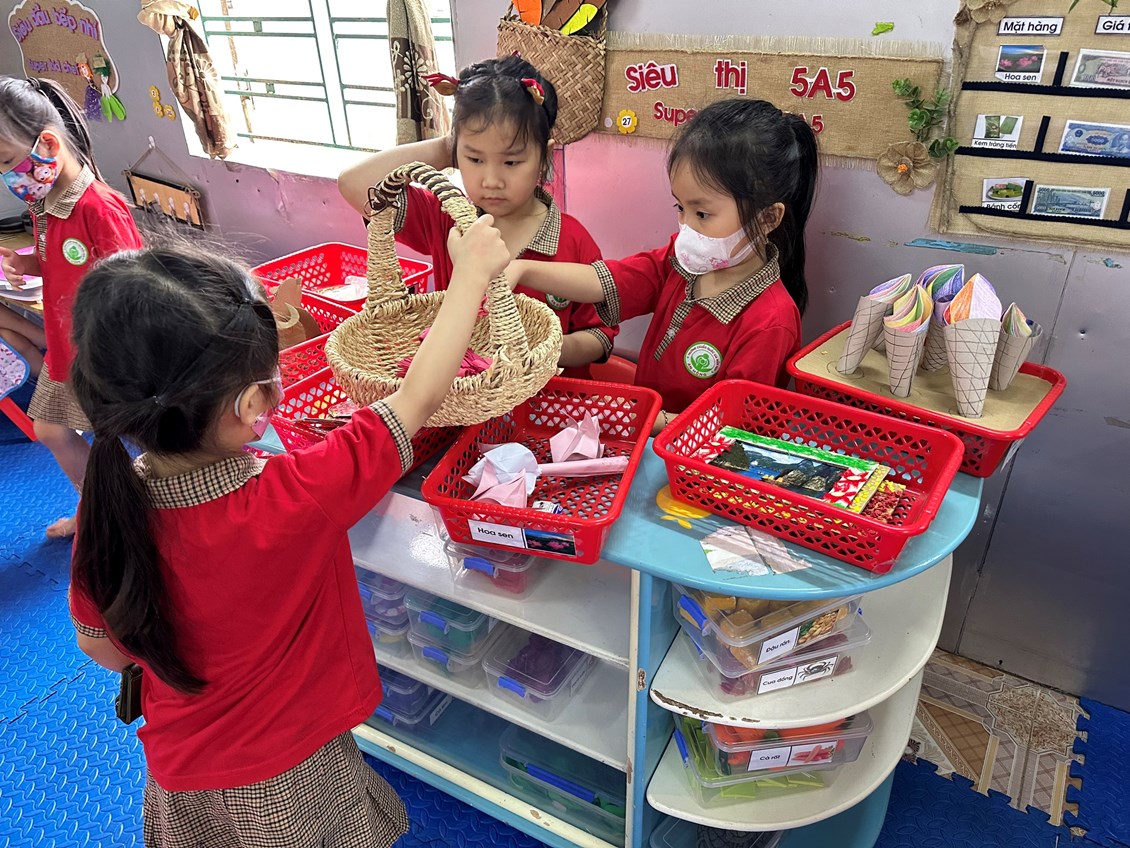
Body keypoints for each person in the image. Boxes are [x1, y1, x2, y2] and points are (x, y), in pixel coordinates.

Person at [66, 217, 510, 847]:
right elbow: (418, 397)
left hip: (178, 772)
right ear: (251, 406)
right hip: (293, 778)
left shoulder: (107, 507)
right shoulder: (299, 493)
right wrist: (470, 277)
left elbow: (101, 647)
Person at [506, 99, 818, 433]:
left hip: (695, 454)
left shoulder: (770, 323)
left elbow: (732, 426)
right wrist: (522, 270)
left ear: (768, 218)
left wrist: (641, 417)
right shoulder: (681, 262)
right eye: (680, 208)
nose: (686, 227)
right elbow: (606, 280)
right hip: (646, 431)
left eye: (702, 214)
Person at [338, 55, 616, 378]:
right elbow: (355, 185)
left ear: (544, 156)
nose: (491, 181)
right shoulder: (446, 217)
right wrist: (448, 148)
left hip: (548, 402)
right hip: (464, 398)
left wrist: (536, 352)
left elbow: (600, 338)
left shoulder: (573, 241)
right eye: (475, 159)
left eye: (511, 163)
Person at [0, 76, 143, 537]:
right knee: (51, 430)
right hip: (67, 350)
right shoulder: (45, 203)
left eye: (6, 160)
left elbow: (134, 286)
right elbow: (59, 259)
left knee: (114, 439)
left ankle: (117, 512)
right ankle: (99, 509)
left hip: (102, 356)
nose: (6, 176)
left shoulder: (98, 208)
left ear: (48, 144)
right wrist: (26, 262)